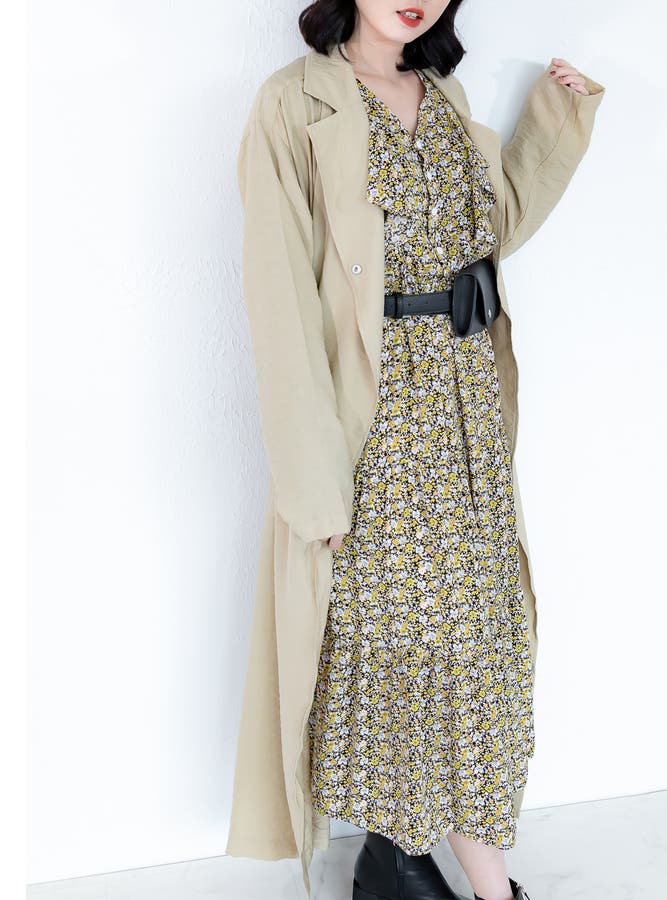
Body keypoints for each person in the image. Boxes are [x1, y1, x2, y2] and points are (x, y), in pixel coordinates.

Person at [225, 2, 605, 899]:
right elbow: (280, 299)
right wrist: (314, 483)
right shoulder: (294, 103)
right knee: (398, 645)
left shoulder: (443, 93)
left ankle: (412, 863)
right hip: (375, 418)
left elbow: (489, 224)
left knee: (485, 642)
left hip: (465, 410)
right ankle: (445, 870)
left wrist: (557, 117)